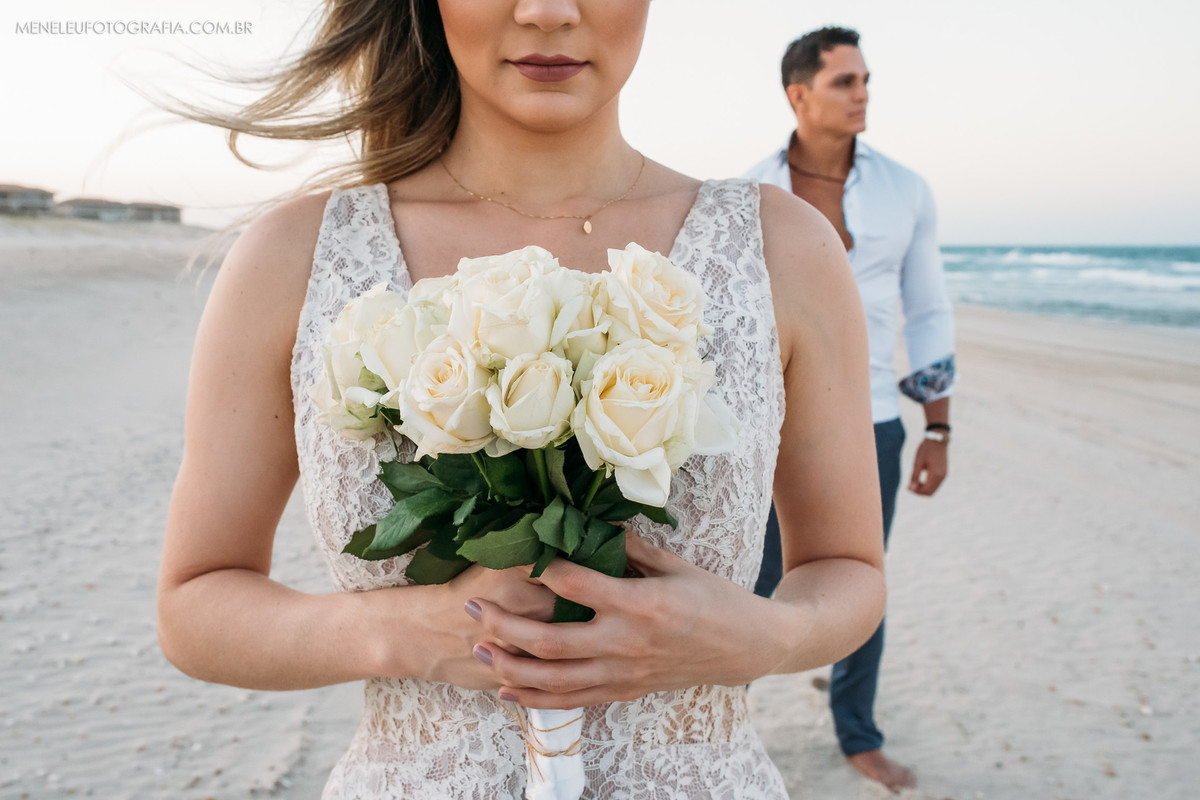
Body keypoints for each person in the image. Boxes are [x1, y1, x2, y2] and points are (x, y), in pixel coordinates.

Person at [157, 3, 887, 797]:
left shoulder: (783, 247)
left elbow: (848, 570)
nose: (548, 10)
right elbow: (194, 609)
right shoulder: (296, 256)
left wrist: (763, 637)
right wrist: (409, 634)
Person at [744, 26, 956, 793]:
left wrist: (938, 423)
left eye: (865, 79)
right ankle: (711, 708)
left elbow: (927, 311)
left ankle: (858, 732)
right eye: (844, 81)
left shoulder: (905, 191)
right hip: (764, 427)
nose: (863, 93)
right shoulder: (747, 194)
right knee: (748, 577)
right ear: (798, 95)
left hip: (871, 421)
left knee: (857, 577)